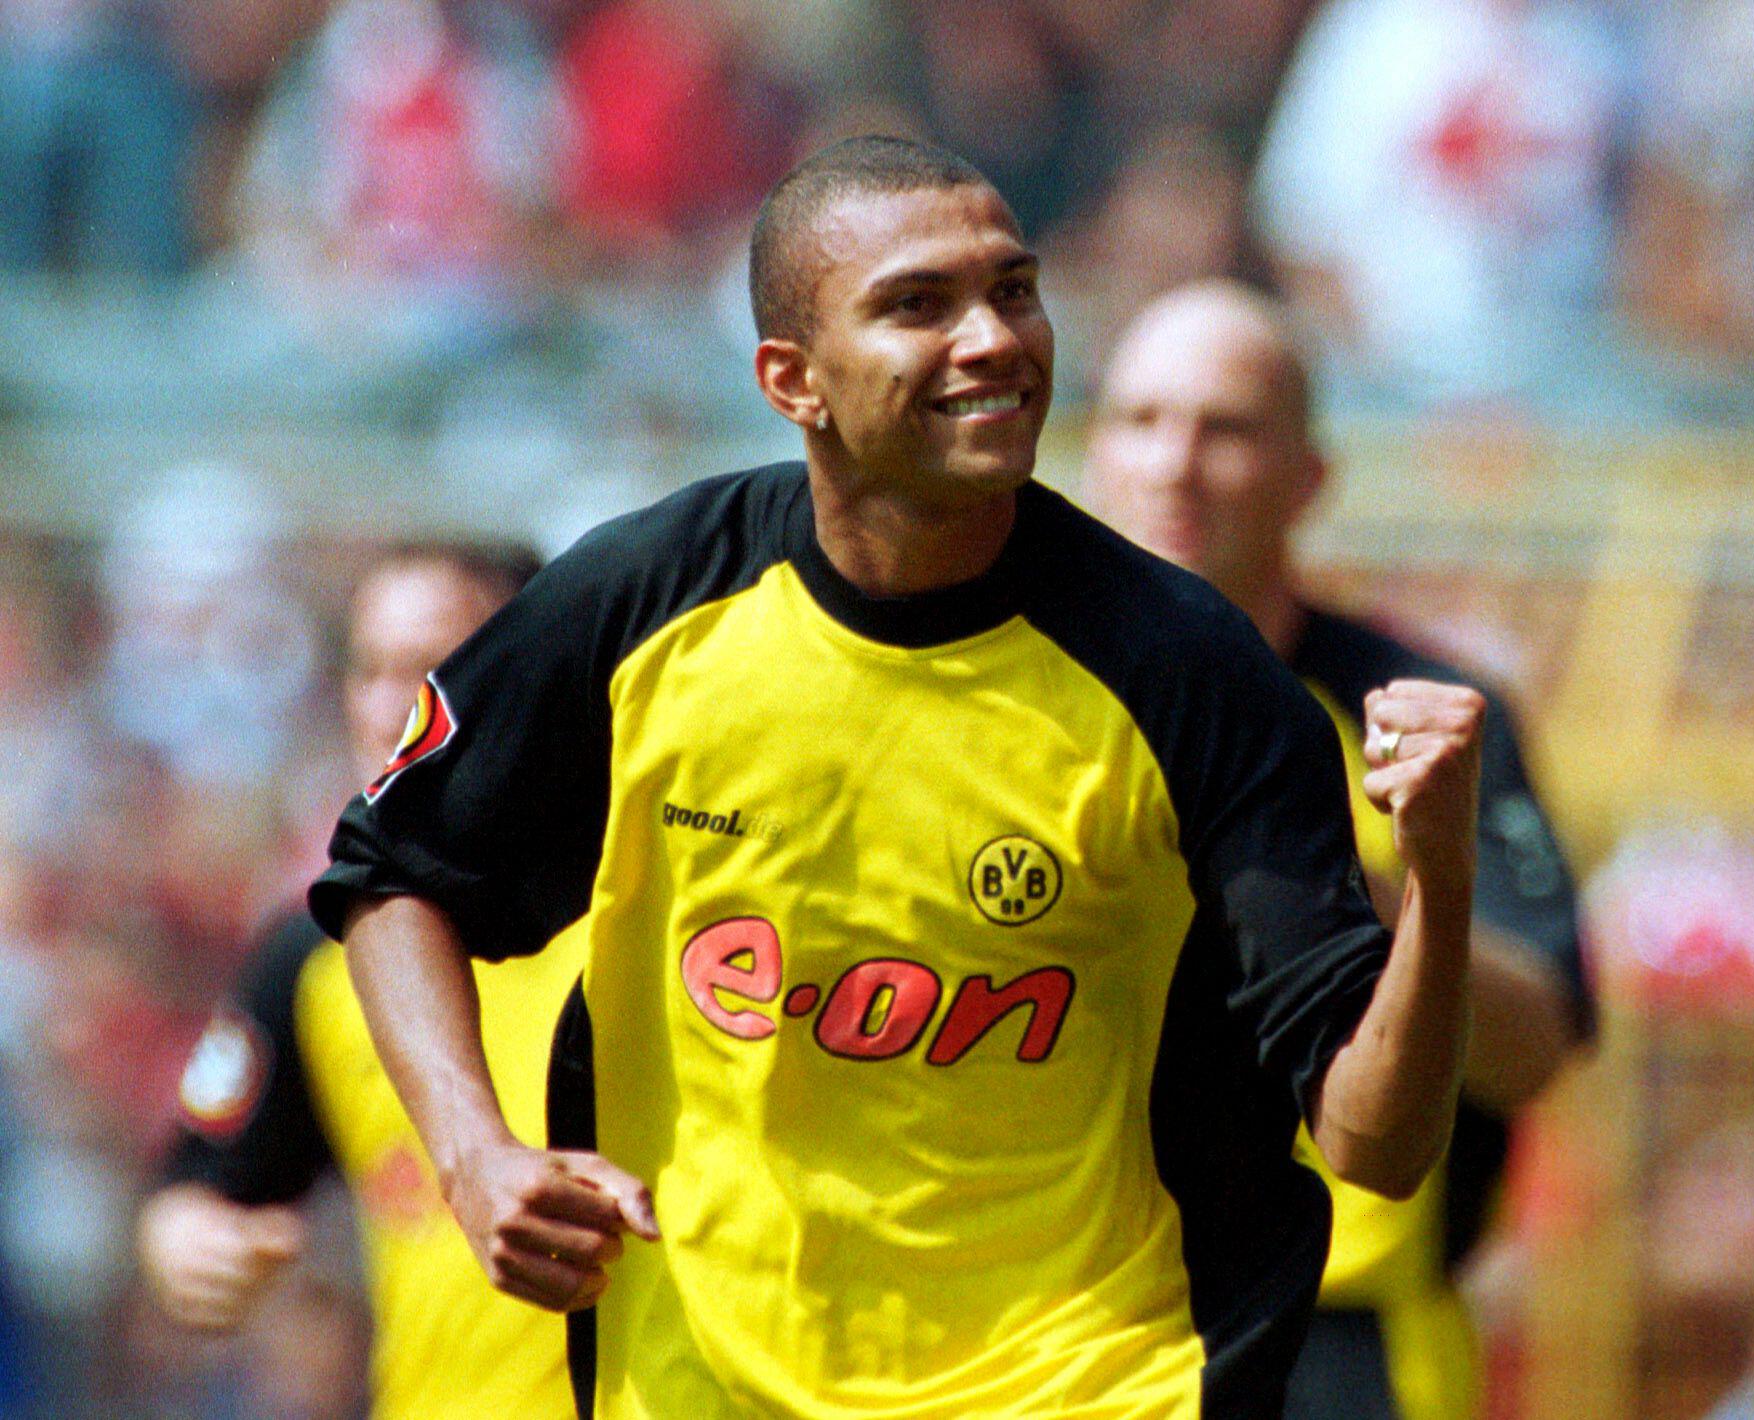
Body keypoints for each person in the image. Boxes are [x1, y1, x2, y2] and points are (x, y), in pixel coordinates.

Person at [308, 135, 1486, 1420]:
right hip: (703, 1384)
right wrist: (475, 1158)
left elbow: (1378, 1141)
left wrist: (1438, 877)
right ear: (792, 380)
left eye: (1015, 290)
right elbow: (390, 872)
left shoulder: (1193, 674)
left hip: (1091, 1387)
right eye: (919, 306)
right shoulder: (643, 603)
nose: (992, 337)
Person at [1084, 279, 1594, 1420]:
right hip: (1044, 1321)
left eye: (1225, 429)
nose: (1173, 464)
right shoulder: (992, 692)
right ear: (1088, 449)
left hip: (1340, 1341)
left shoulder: (1428, 713)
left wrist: (1331, 883)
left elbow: (1538, 1047)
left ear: (1311, 476)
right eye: (1141, 420)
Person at [137, 539, 587, 1420]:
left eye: (428, 669)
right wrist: (188, 1244)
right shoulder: (310, 957)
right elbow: (200, 1183)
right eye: (367, 668)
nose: (388, 709)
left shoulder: (645, 917)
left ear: (538, 676)